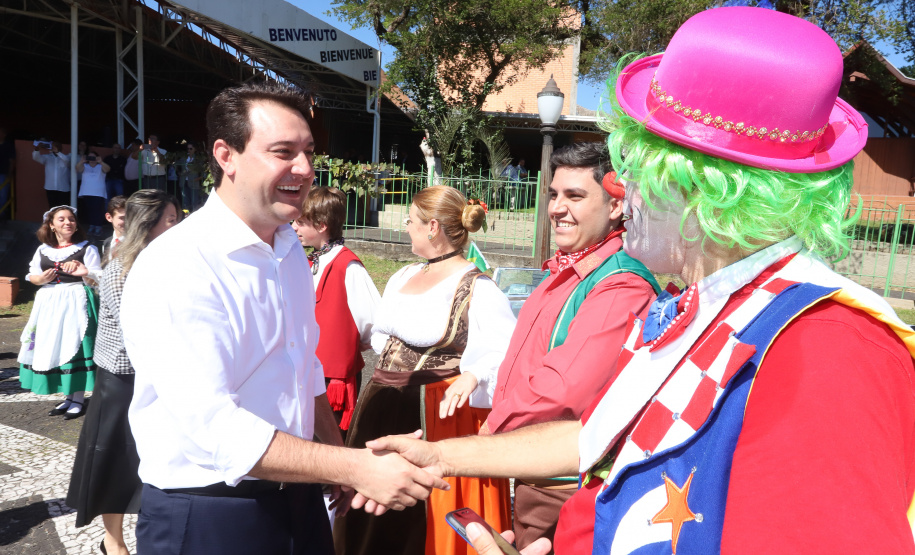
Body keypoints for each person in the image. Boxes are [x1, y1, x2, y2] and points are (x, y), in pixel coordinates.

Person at [367, 7, 915, 554]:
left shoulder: (828, 345)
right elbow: (602, 432)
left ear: (710, 186)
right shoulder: (702, 305)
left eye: (640, 163)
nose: (621, 187)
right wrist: (444, 456)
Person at [119, 82, 448, 555]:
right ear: (225, 154)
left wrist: (340, 461)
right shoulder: (179, 263)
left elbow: (303, 371)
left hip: (298, 496)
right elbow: (215, 427)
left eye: (309, 152)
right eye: (283, 152)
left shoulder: (289, 248)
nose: (305, 169)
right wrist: (354, 468)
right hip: (211, 513)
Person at [485, 142, 659, 552]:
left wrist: (490, 430)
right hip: (534, 469)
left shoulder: (620, 284)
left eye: (575, 196)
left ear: (617, 206)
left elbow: (563, 388)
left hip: (566, 485)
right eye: (553, 194)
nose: (557, 208)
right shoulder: (565, 271)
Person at [334, 185, 516, 555]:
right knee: (368, 515)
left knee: (422, 523)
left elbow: (504, 350)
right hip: (380, 405)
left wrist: (472, 374)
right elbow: (382, 334)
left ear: (432, 226)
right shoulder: (404, 275)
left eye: (412, 220)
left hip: (435, 416)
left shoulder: (478, 288)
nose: (406, 225)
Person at [67, 189, 182, 555]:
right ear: (148, 225)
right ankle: (113, 541)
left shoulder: (169, 261)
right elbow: (135, 330)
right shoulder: (121, 267)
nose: (177, 227)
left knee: (156, 456)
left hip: (158, 374)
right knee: (115, 459)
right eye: (171, 220)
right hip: (122, 378)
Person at [292, 186, 379, 438]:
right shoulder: (307, 261)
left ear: (321, 225)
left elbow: (373, 320)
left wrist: (357, 341)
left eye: (300, 222)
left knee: (330, 445)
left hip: (332, 380)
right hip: (307, 370)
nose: (294, 228)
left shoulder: (347, 266)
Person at [18, 205, 101, 420]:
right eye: (62, 219)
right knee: (55, 344)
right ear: (52, 225)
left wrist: (85, 272)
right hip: (49, 303)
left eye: (71, 219)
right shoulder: (43, 249)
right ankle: (68, 396)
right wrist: (41, 279)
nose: (68, 223)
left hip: (76, 301)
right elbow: (32, 275)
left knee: (74, 345)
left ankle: (78, 398)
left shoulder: (86, 248)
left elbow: (96, 279)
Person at [77, 150, 110, 236]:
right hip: (86, 192)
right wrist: (82, 161)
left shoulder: (100, 166)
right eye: (90, 157)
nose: (91, 159)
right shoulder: (85, 166)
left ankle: (98, 227)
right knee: (90, 210)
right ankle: (92, 226)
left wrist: (100, 161)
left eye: (93, 157)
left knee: (98, 210)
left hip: (98, 193)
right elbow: (77, 169)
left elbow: (108, 169)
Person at [32, 140, 71, 208]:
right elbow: (36, 158)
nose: (55, 148)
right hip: (50, 188)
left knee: (63, 209)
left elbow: (67, 161)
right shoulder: (47, 157)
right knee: (52, 208)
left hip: (63, 188)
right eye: (53, 146)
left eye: (57, 146)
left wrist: (58, 152)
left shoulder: (66, 157)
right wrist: (37, 149)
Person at [175, 141, 206, 211]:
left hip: (194, 183)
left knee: (194, 202)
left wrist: (198, 179)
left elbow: (204, 172)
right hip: (183, 182)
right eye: (188, 149)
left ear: (195, 149)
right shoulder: (184, 158)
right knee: (185, 202)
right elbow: (175, 164)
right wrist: (178, 173)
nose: (189, 150)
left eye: (191, 149)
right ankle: (186, 216)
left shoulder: (198, 160)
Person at [101, 196, 127, 264]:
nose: (127, 221)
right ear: (109, 217)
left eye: (130, 217)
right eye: (122, 218)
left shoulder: (139, 243)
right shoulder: (107, 243)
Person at [0, 126, 16, 219]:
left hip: (3, 173)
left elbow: (12, 161)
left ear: (4, 134)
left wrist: (10, 173)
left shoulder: (8, 145)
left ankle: (1, 214)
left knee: (3, 194)